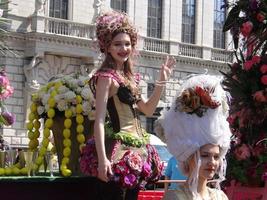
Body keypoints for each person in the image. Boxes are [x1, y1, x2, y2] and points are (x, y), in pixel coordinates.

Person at [79, 11, 176, 200]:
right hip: (116, 151)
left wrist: (161, 81)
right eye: (117, 44)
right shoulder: (105, 78)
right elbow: (98, 120)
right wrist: (102, 160)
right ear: (107, 47)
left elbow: (148, 110)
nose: (124, 48)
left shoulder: (128, 78)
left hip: (137, 149)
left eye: (127, 43)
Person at [156, 75, 231, 200]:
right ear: (189, 156)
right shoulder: (174, 197)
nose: (212, 162)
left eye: (216, 156)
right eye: (204, 155)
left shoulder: (220, 196)